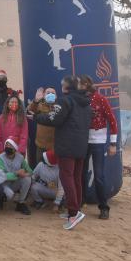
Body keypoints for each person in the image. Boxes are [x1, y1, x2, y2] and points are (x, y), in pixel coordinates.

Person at [35, 75, 91, 230]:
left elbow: (54, 119)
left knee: (66, 178)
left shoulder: (65, 100)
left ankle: (73, 213)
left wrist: (36, 117)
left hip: (67, 146)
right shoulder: (86, 102)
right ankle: (76, 209)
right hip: (81, 145)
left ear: (65, 87)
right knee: (76, 178)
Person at [79, 74, 118, 219]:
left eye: (82, 85)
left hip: (98, 141)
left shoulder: (101, 99)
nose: (80, 87)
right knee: (80, 172)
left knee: (99, 175)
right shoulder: (80, 100)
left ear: (87, 85)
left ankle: (104, 207)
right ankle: (80, 202)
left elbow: (112, 121)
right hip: (83, 141)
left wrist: (113, 143)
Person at [0, 137, 32, 215]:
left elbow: (30, 171)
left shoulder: (20, 157)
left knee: (27, 179)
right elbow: (2, 176)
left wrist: (24, 174)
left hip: (14, 182)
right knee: (9, 194)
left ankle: (20, 203)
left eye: (10, 145)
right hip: (3, 184)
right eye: (6, 145)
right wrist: (16, 173)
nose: (8, 147)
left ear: (15, 148)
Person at [27, 87, 57, 163]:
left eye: (53, 93)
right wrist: (36, 100)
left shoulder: (59, 107)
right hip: (41, 144)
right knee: (40, 166)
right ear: (43, 95)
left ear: (56, 96)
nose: (50, 94)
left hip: (54, 146)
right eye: (48, 92)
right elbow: (29, 110)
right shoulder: (39, 105)